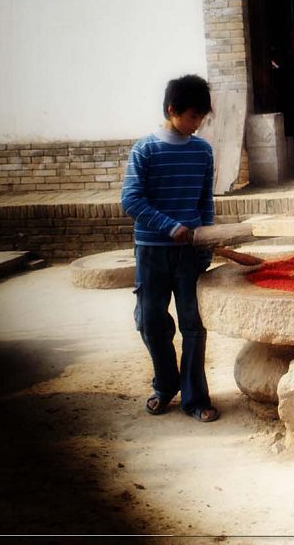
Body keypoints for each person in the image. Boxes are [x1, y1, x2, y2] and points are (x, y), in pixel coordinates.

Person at [121, 74, 219, 423]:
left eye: (201, 119)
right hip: (151, 251)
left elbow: (204, 201)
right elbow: (130, 199)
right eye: (193, 117)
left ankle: (195, 398)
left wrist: (205, 242)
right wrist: (169, 226)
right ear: (171, 110)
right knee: (151, 324)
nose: (196, 125)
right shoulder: (144, 150)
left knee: (193, 325)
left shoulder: (202, 151)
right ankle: (165, 385)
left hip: (190, 253)